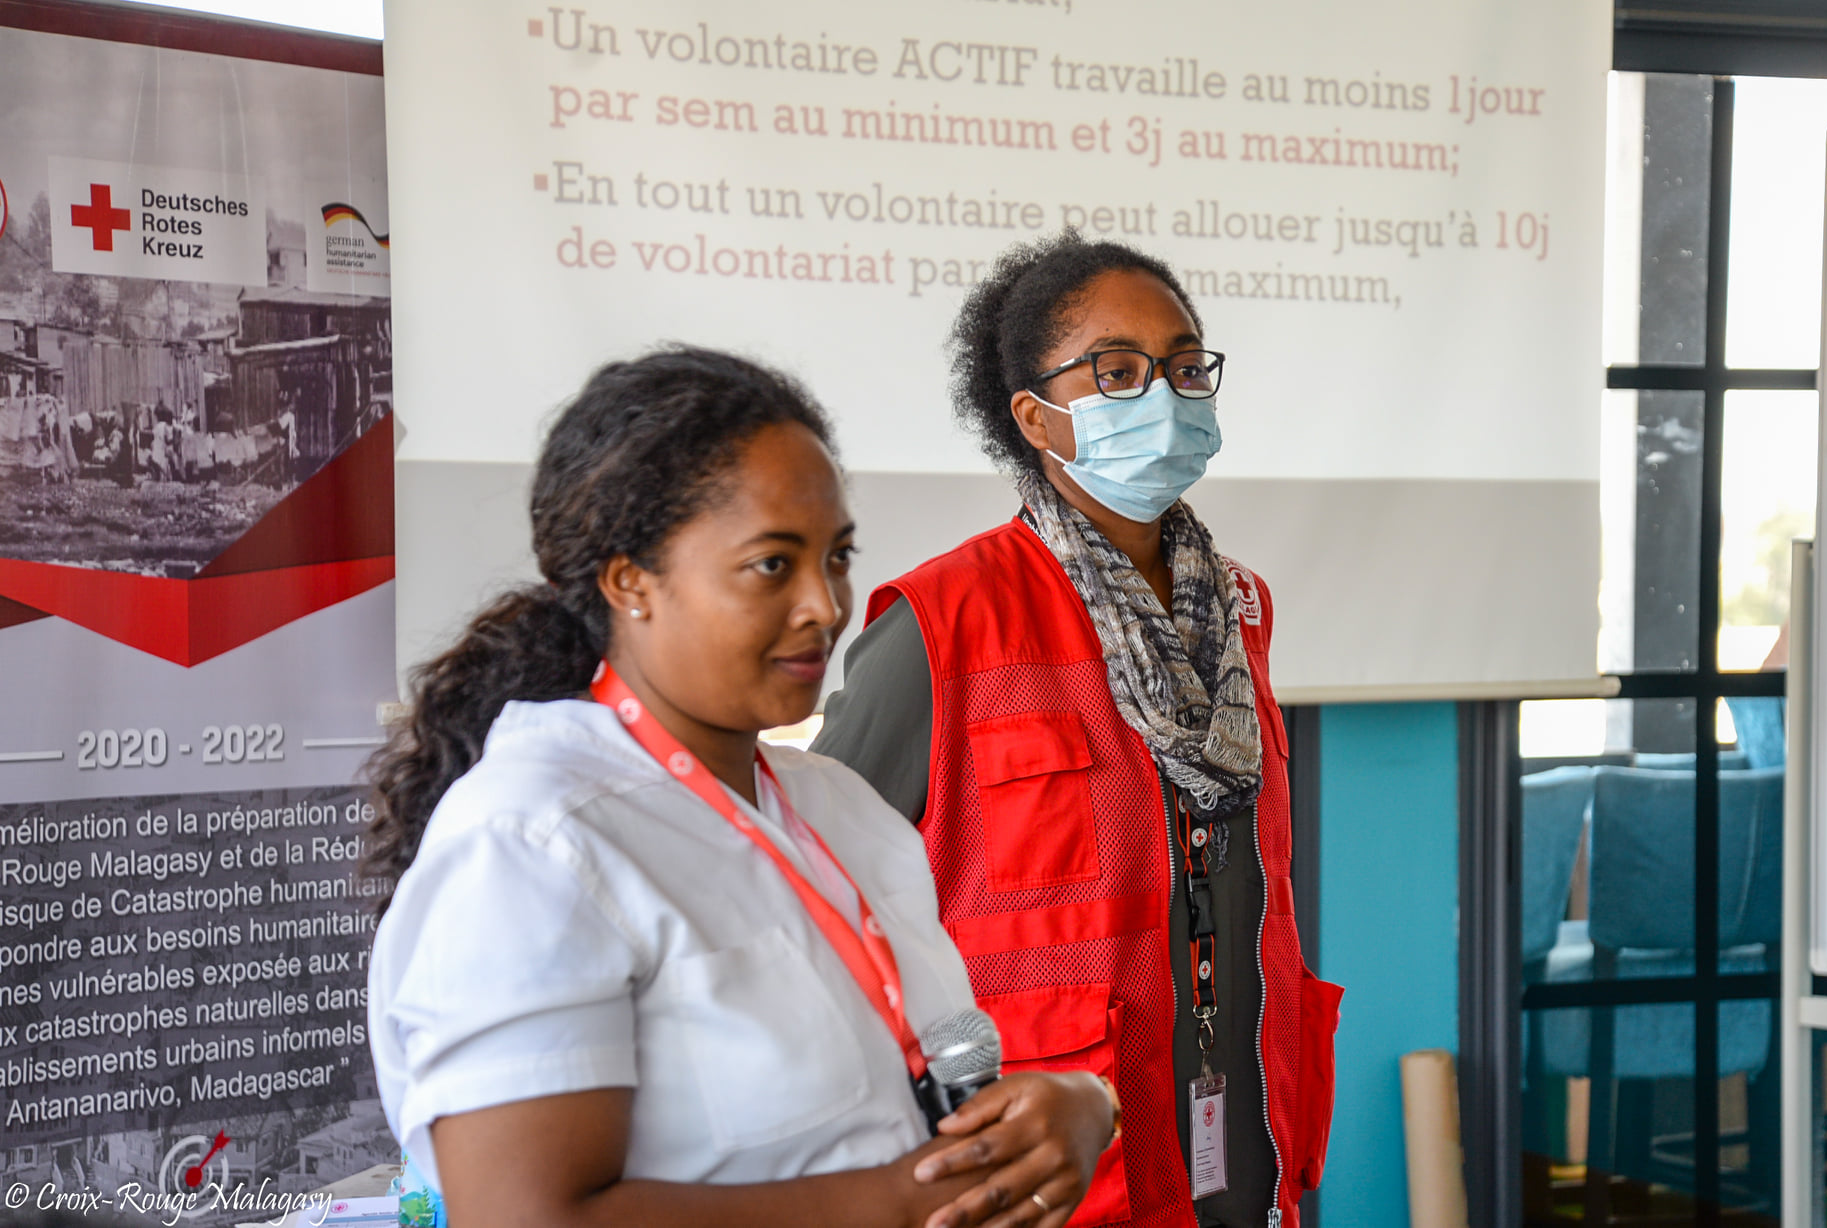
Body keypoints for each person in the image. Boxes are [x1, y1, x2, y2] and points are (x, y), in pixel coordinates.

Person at [362, 347, 1118, 1228]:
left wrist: (1070, 1105)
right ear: (628, 580)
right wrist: (898, 1206)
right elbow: (527, 1215)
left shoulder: (841, 808)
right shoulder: (533, 843)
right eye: (772, 564)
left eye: (836, 557)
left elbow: (941, 1057)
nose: (826, 606)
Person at [812, 234, 1343, 1228]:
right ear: (1036, 417)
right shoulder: (940, 623)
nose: (1164, 393)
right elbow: (814, 893)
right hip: (1054, 1158)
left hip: (1240, 1122)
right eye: (1118, 371)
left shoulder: (1239, 614)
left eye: (1184, 365)